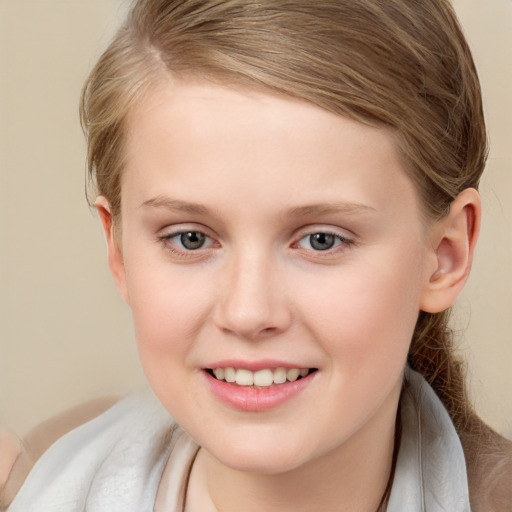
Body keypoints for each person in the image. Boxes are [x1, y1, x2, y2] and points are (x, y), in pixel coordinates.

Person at [4, 0, 511, 510]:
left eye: (321, 240)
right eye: (191, 239)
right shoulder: (32, 483)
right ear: (119, 251)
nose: (248, 312)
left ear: (445, 255)